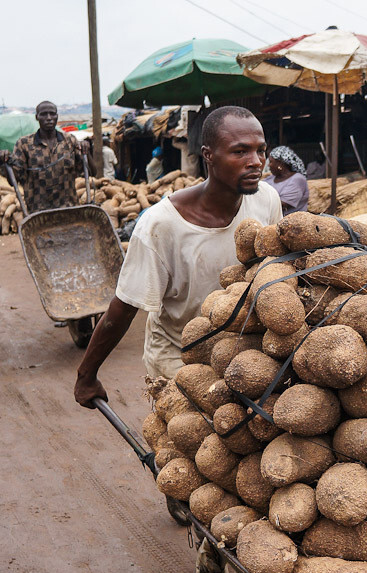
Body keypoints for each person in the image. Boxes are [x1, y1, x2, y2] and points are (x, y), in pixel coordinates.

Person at [74, 105, 282, 407]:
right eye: (240, 152)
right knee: (188, 443)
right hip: (178, 353)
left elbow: (273, 267)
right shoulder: (160, 226)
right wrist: (86, 374)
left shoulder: (266, 199)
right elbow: (125, 307)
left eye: (261, 150)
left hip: (239, 351)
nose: (256, 162)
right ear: (208, 155)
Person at [0, 100, 89, 212]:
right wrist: (5, 162)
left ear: (57, 116)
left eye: (52, 114)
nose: (49, 118)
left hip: (69, 209)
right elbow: (13, 181)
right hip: (38, 213)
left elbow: (88, 171)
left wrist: (87, 151)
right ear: (37, 117)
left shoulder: (69, 141)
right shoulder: (24, 144)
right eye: (43, 114)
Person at [264, 145, 309, 215]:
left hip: (293, 223)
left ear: (280, 164)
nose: (268, 165)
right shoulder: (269, 179)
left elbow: (282, 204)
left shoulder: (298, 179)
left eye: (271, 162)